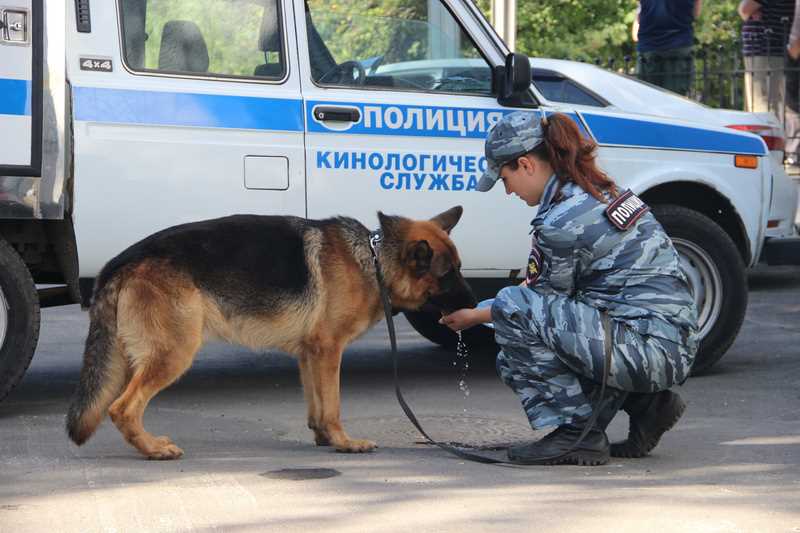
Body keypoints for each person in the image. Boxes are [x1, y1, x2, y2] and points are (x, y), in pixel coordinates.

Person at [439, 112, 699, 466]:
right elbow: (549, 300)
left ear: (526, 164)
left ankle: (578, 435)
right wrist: (483, 311)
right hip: (664, 343)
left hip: (647, 346)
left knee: (513, 325)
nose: (508, 191)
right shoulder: (595, 190)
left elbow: (532, 304)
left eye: (505, 179)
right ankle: (649, 405)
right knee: (517, 330)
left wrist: (474, 316)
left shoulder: (562, 221)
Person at [740, 0, 800, 168]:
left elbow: (745, 9)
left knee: (762, 105)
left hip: (762, 48)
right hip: (775, 47)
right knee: (774, 104)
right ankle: (776, 154)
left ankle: (767, 158)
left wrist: (746, 11)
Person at [633, 0, 702, 95]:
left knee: (647, 98)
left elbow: (639, 12)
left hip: (649, 45)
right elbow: (696, 14)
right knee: (676, 100)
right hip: (679, 43)